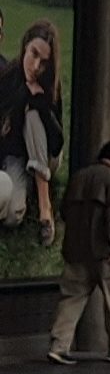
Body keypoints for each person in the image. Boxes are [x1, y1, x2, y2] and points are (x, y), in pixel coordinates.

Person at [48, 141, 110, 365]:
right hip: (105, 253)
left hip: (76, 250)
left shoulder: (78, 177)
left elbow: (65, 211)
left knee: (71, 298)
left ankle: (59, 346)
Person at [0, 22, 63, 243]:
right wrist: (24, 95)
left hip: (48, 155)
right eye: (33, 54)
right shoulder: (8, 76)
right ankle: (25, 185)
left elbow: (57, 143)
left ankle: (45, 211)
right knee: (11, 217)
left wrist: (40, 103)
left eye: (44, 62)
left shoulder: (50, 84)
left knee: (33, 116)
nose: (36, 66)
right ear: (25, 46)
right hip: (17, 155)